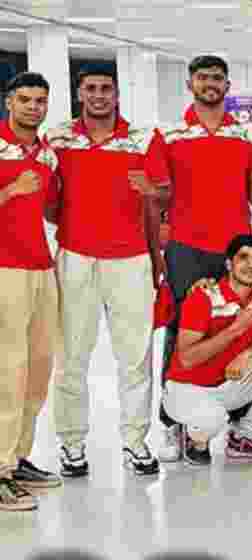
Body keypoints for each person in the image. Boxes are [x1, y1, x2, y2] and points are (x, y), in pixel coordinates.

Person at [142, 55, 252, 462]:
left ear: (227, 86)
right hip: (186, 248)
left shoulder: (248, 134)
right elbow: (158, 196)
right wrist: (157, 251)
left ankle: (230, 422)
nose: (210, 83)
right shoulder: (168, 133)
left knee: (241, 327)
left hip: (235, 250)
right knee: (182, 331)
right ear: (190, 84)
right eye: (203, 77)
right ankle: (171, 423)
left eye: (217, 78)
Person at [45, 63, 160, 478]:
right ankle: (71, 444)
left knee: (135, 357)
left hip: (131, 260)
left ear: (117, 94)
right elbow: (49, 200)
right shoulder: (58, 138)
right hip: (75, 257)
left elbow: (160, 197)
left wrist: (157, 257)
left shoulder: (143, 138)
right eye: (91, 88)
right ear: (79, 93)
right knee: (71, 356)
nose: (98, 95)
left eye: (106, 88)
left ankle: (135, 441)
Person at [161, 235, 252, 466]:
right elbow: (187, 358)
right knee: (214, 420)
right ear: (229, 264)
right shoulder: (203, 296)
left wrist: (249, 354)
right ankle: (193, 438)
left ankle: (245, 436)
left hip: (227, 385)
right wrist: (236, 328)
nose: (251, 264)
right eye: (243, 257)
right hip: (187, 389)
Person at [0, 72, 62, 511]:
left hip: (42, 266)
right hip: (5, 269)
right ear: (9, 101)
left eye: (40, 101)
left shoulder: (47, 154)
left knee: (39, 369)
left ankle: (17, 457)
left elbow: (54, 209)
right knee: (8, 369)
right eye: (24, 99)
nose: (32, 107)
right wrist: (10, 190)